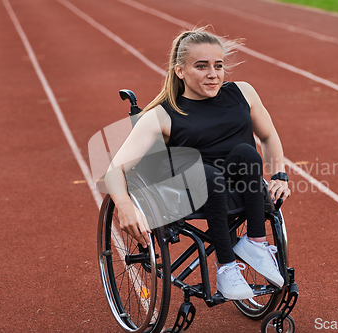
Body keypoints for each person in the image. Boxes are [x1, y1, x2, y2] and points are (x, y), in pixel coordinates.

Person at [105, 27, 291, 300]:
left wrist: (279, 176)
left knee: (248, 154)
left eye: (218, 66)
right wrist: (125, 207)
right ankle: (226, 267)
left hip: (238, 186)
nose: (213, 74)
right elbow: (114, 171)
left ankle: (255, 242)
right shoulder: (162, 115)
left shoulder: (243, 93)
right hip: (189, 193)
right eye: (201, 66)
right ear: (180, 71)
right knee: (210, 176)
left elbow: (268, 135)